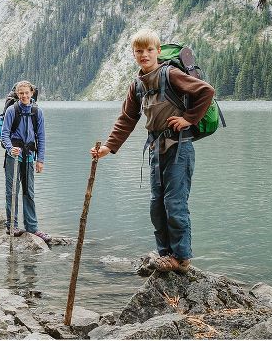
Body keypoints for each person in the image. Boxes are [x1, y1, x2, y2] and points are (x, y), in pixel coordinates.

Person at [90, 28, 214, 273]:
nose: (144, 55)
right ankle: (165, 254)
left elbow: (206, 91)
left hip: (180, 147)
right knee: (157, 204)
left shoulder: (171, 74)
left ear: (158, 51)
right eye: (139, 51)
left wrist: (189, 118)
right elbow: (127, 118)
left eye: (149, 50)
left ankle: (181, 258)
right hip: (157, 150)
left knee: (174, 202)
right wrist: (108, 147)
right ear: (134, 54)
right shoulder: (137, 85)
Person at [0, 80, 50, 241]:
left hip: (29, 156)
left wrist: (40, 159)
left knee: (29, 192)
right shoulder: (11, 111)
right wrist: (10, 148)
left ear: (32, 93)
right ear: (17, 94)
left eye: (26, 92)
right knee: (12, 191)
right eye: (20, 93)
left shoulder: (37, 112)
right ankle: (12, 226)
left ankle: (32, 227)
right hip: (13, 156)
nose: (24, 95)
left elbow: (41, 137)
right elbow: (5, 134)